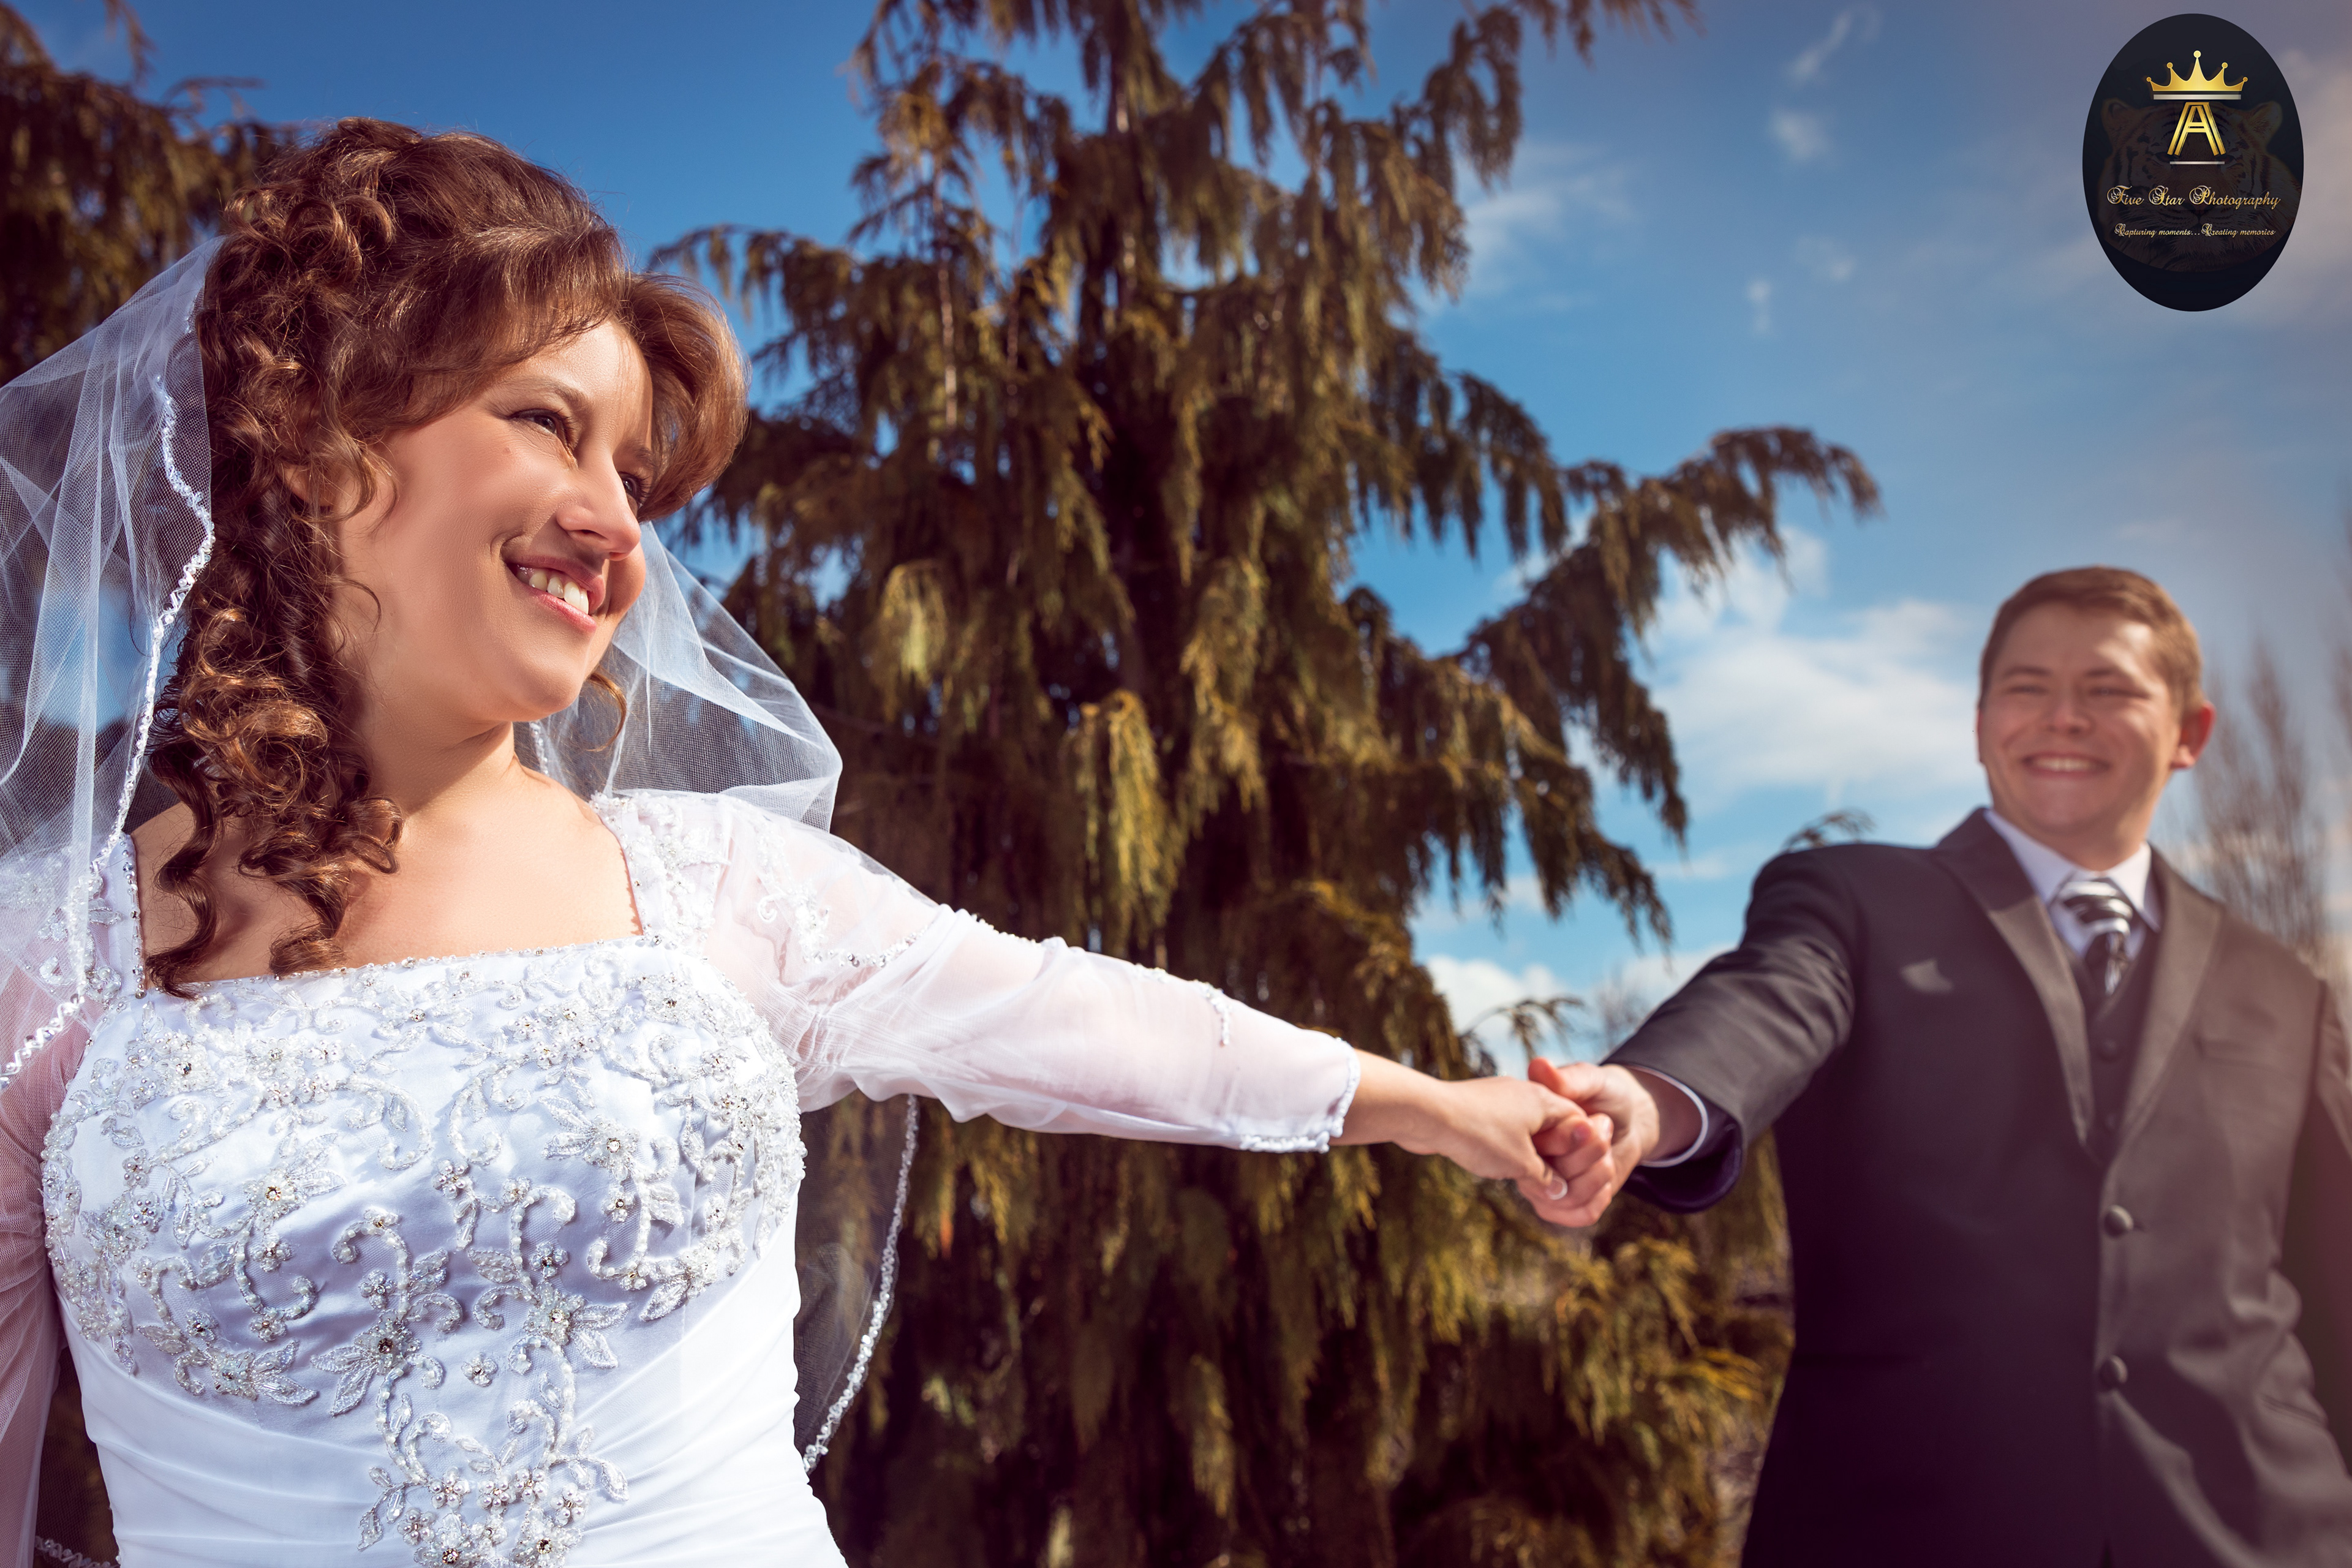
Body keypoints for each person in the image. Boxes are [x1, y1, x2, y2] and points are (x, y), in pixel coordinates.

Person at [0, 121, 1618, 1567]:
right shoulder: (42, 972)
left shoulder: (720, 892)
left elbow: (1077, 1018)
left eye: (636, 476)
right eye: (549, 425)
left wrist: (1436, 1107)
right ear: (315, 441)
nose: (619, 530)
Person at [1525, 567, 2352, 1566]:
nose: (2064, 716)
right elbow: (1765, 1004)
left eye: (2109, 688)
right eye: (2027, 686)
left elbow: (2334, 1286)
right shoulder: (1853, 901)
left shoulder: (2288, 990)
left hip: (2264, 1536)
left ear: (2191, 731)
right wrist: (1649, 1098)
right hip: (1911, 1530)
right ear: (1979, 722)